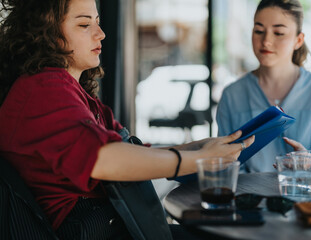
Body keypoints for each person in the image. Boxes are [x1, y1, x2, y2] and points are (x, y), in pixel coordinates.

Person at [0, 0, 255, 239]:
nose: (101, 34)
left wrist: (193, 148)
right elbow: (104, 159)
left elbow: (128, 152)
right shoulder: (41, 90)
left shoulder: (73, 93)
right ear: (47, 32)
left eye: (97, 22)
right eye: (84, 24)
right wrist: (197, 160)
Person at [216, 0, 311, 173]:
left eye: (278, 33)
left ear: (298, 40)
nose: (266, 41)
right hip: (249, 198)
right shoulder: (232, 95)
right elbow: (223, 165)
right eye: (259, 31)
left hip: (307, 198)